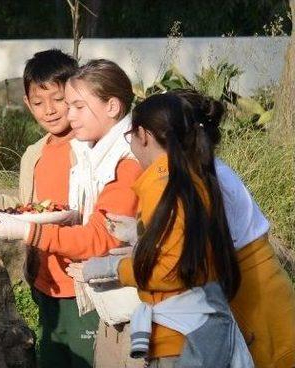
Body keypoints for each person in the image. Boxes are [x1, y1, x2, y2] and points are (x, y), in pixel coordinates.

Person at [105, 89, 295, 367]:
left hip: (255, 299)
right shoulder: (198, 172)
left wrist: (119, 268)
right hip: (241, 289)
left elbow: (183, 254)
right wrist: (140, 232)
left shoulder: (200, 178)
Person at [75, 92, 253, 367]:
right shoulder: (191, 178)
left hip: (179, 341)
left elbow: (172, 268)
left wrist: (113, 268)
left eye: (130, 136)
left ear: (143, 136)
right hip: (189, 332)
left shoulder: (163, 186)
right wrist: (141, 236)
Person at [0, 58, 143, 367]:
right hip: (47, 281)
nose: (59, 112)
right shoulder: (39, 153)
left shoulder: (116, 155)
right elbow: (31, 204)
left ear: (111, 106)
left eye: (71, 104)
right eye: (40, 102)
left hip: (87, 284)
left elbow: (100, 234)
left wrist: (26, 230)